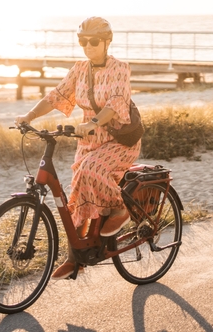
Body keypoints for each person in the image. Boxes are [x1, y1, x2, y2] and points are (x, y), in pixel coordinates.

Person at [14, 16, 141, 280]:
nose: (88, 46)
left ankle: (119, 209)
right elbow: (57, 96)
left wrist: (94, 121)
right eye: (83, 41)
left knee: (91, 170)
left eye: (94, 41)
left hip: (118, 140)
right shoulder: (79, 68)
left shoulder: (120, 68)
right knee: (78, 191)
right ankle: (76, 259)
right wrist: (29, 116)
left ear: (107, 42)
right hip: (89, 141)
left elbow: (117, 102)